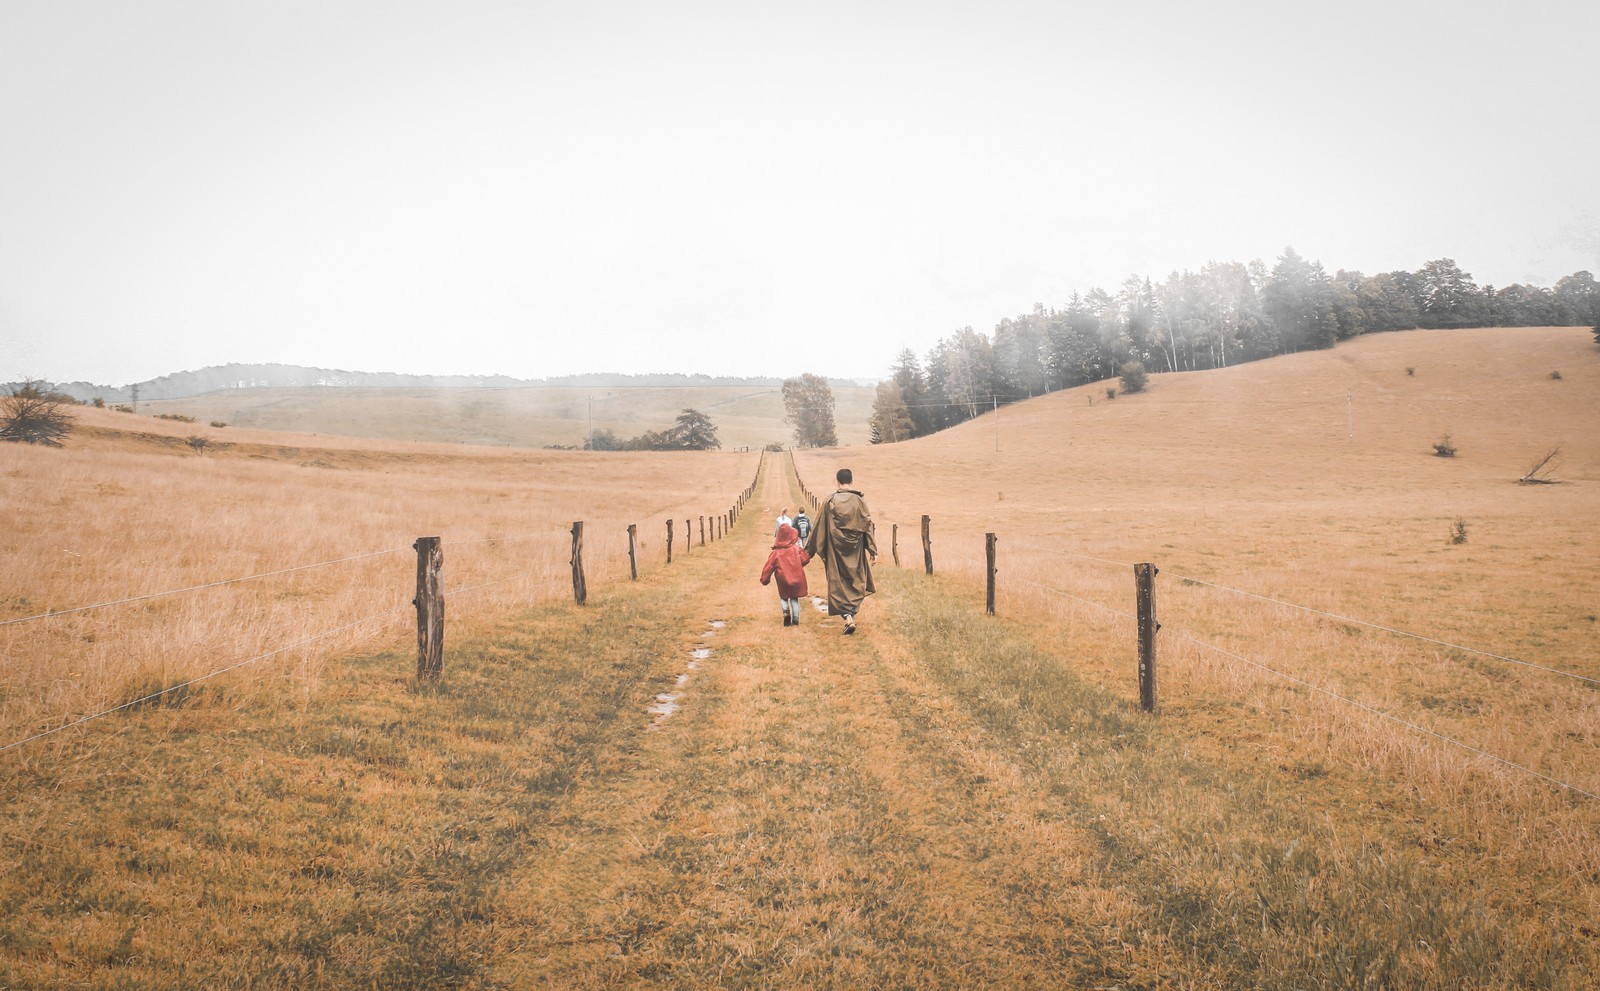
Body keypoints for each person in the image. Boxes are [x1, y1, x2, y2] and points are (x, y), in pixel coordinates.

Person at [802, 467, 876, 635]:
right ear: (851, 481)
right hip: (856, 550)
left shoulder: (829, 501)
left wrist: (808, 551)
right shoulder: (860, 501)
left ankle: (848, 618)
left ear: (837, 481)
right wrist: (872, 549)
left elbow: (819, 525)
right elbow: (867, 525)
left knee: (838, 583)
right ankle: (850, 615)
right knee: (855, 581)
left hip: (835, 550)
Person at [760, 524, 810, 627]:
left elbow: (768, 567)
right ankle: (795, 620)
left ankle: (786, 612)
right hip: (797, 577)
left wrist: (765, 579)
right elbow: (805, 559)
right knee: (794, 598)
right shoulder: (796, 549)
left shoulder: (776, 553)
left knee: (783, 597)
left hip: (783, 580)